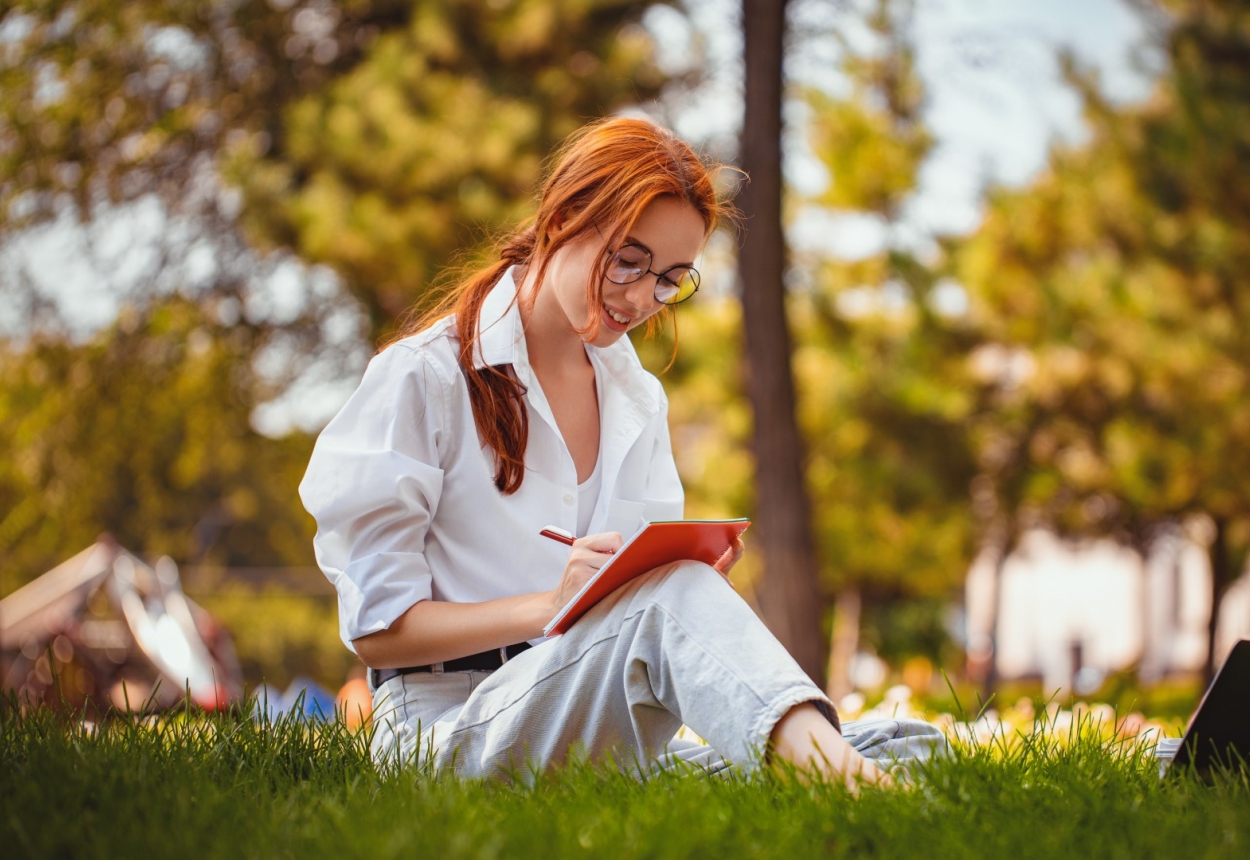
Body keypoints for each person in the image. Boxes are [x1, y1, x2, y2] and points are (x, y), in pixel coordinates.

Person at [299, 117, 946, 787]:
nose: (641, 299)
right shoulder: (423, 376)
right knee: (678, 608)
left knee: (910, 740)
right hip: (447, 729)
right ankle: (847, 787)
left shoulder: (636, 399)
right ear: (565, 217)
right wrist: (554, 604)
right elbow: (377, 630)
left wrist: (682, 585)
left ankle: (842, 769)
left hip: (594, 720)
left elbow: (641, 615)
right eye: (628, 261)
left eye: (670, 278)